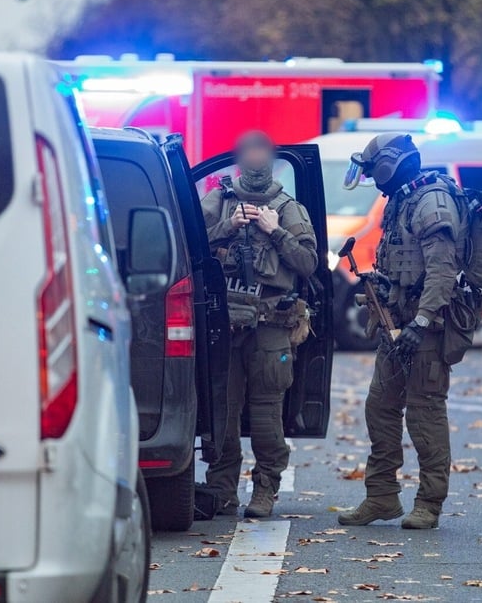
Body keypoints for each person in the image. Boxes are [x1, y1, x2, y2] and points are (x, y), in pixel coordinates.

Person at [337, 133, 468, 529]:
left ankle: (429, 503)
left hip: (425, 330)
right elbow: (403, 262)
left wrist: (422, 321)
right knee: (380, 407)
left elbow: (443, 272)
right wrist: (380, 284)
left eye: (373, 170)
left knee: (425, 414)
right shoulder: (400, 200)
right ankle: (381, 498)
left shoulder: (431, 202)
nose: (372, 179)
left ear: (389, 166)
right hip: (395, 325)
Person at [200, 130, 317, 518]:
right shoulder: (218, 200)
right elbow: (189, 247)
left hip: (270, 327)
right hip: (225, 326)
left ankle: (265, 488)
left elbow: (308, 264)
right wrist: (227, 227)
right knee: (224, 411)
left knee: (267, 414)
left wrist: (275, 230)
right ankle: (221, 488)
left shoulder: (288, 208)